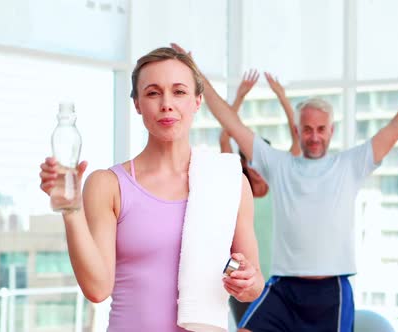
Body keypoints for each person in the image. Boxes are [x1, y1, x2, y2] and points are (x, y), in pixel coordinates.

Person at [183, 42, 398, 331]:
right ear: (298, 131)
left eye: (320, 129)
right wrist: (197, 76)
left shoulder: (349, 165)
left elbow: (396, 127)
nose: (314, 136)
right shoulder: (279, 165)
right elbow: (231, 122)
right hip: (283, 288)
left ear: (331, 131)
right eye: (307, 129)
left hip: (331, 291)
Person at [38, 47, 264, 331]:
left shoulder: (229, 181)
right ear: (137, 104)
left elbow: (255, 286)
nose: (166, 104)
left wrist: (247, 281)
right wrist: (71, 212)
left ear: (197, 101)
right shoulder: (108, 185)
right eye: (153, 93)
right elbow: (97, 288)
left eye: (179, 92)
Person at [220, 69, 301, 324]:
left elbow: (297, 140)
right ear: (242, 161)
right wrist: (240, 96)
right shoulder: (236, 185)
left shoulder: (281, 184)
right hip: (243, 277)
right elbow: (225, 136)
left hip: (278, 283)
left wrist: (282, 97)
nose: (254, 167)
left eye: (259, 161)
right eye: (248, 160)